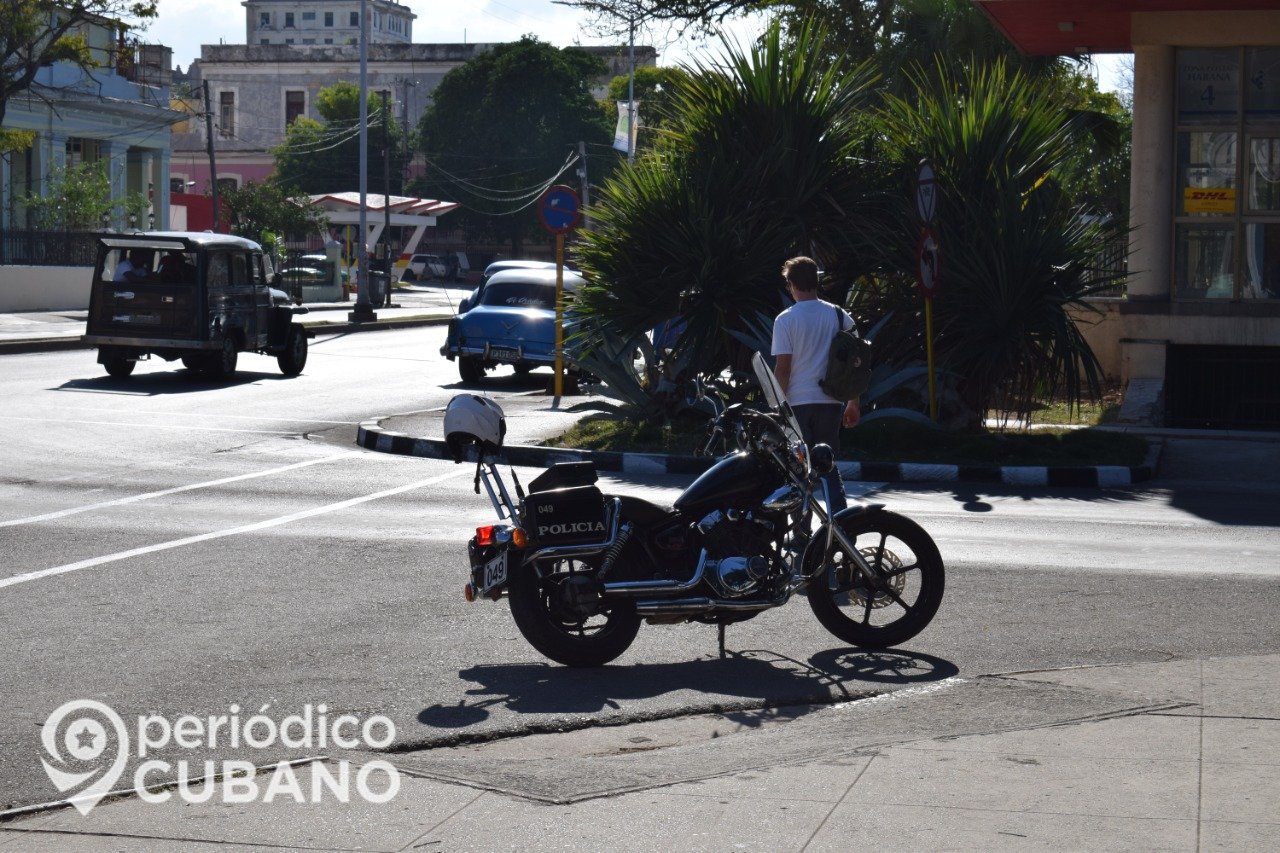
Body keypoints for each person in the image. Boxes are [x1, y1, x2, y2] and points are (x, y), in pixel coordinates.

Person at [771, 255, 860, 513]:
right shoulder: (839, 316)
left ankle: (801, 534)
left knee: (799, 473)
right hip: (830, 403)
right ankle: (842, 524)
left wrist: (777, 408)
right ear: (815, 282)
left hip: (797, 406)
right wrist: (853, 403)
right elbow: (857, 364)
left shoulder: (785, 320)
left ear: (791, 284)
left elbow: (783, 369)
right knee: (827, 467)